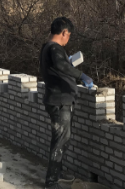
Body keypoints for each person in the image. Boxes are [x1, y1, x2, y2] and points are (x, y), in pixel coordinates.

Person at [39, 17, 94, 189]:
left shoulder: (46, 47)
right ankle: (51, 182)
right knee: (60, 141)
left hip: (56, 99)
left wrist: (67, 62)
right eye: (68, 35)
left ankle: (58, 173)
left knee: (61, 139)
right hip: (60, 101)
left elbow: (59, 66)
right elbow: (61, 66)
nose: (68, 39)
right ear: (64, 33)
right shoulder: (55, 48)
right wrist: (81, 75)